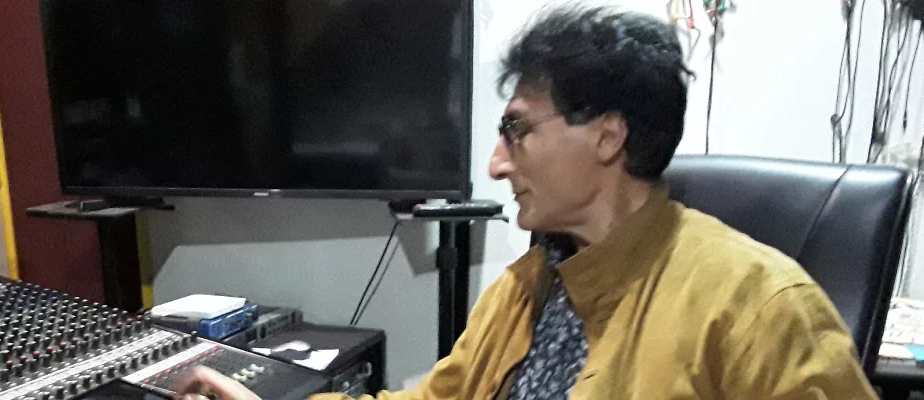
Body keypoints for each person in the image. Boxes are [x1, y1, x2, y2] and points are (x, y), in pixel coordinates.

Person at [177, 6, 878, 400]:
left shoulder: (761, 307)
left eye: (517, 130)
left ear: (608, 136)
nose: (495, 163)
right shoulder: (529, 283)